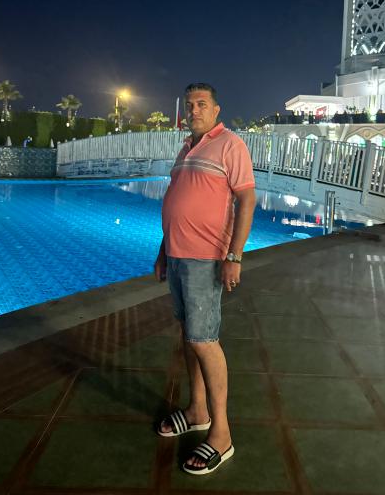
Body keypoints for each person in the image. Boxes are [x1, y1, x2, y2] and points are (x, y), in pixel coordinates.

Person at [154, 83, 256, 475]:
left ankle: (222, 434)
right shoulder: (185, 149)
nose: (193, 110)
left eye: (201, 104)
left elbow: (246, 199)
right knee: (189, 336)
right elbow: (177, 204)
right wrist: (163, 251)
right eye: (189, 104)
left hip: (205, 257)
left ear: (216, 110)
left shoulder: (230, 144)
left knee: (204, 340)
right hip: (178, 255)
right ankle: (197, 410)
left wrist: (234, 255)